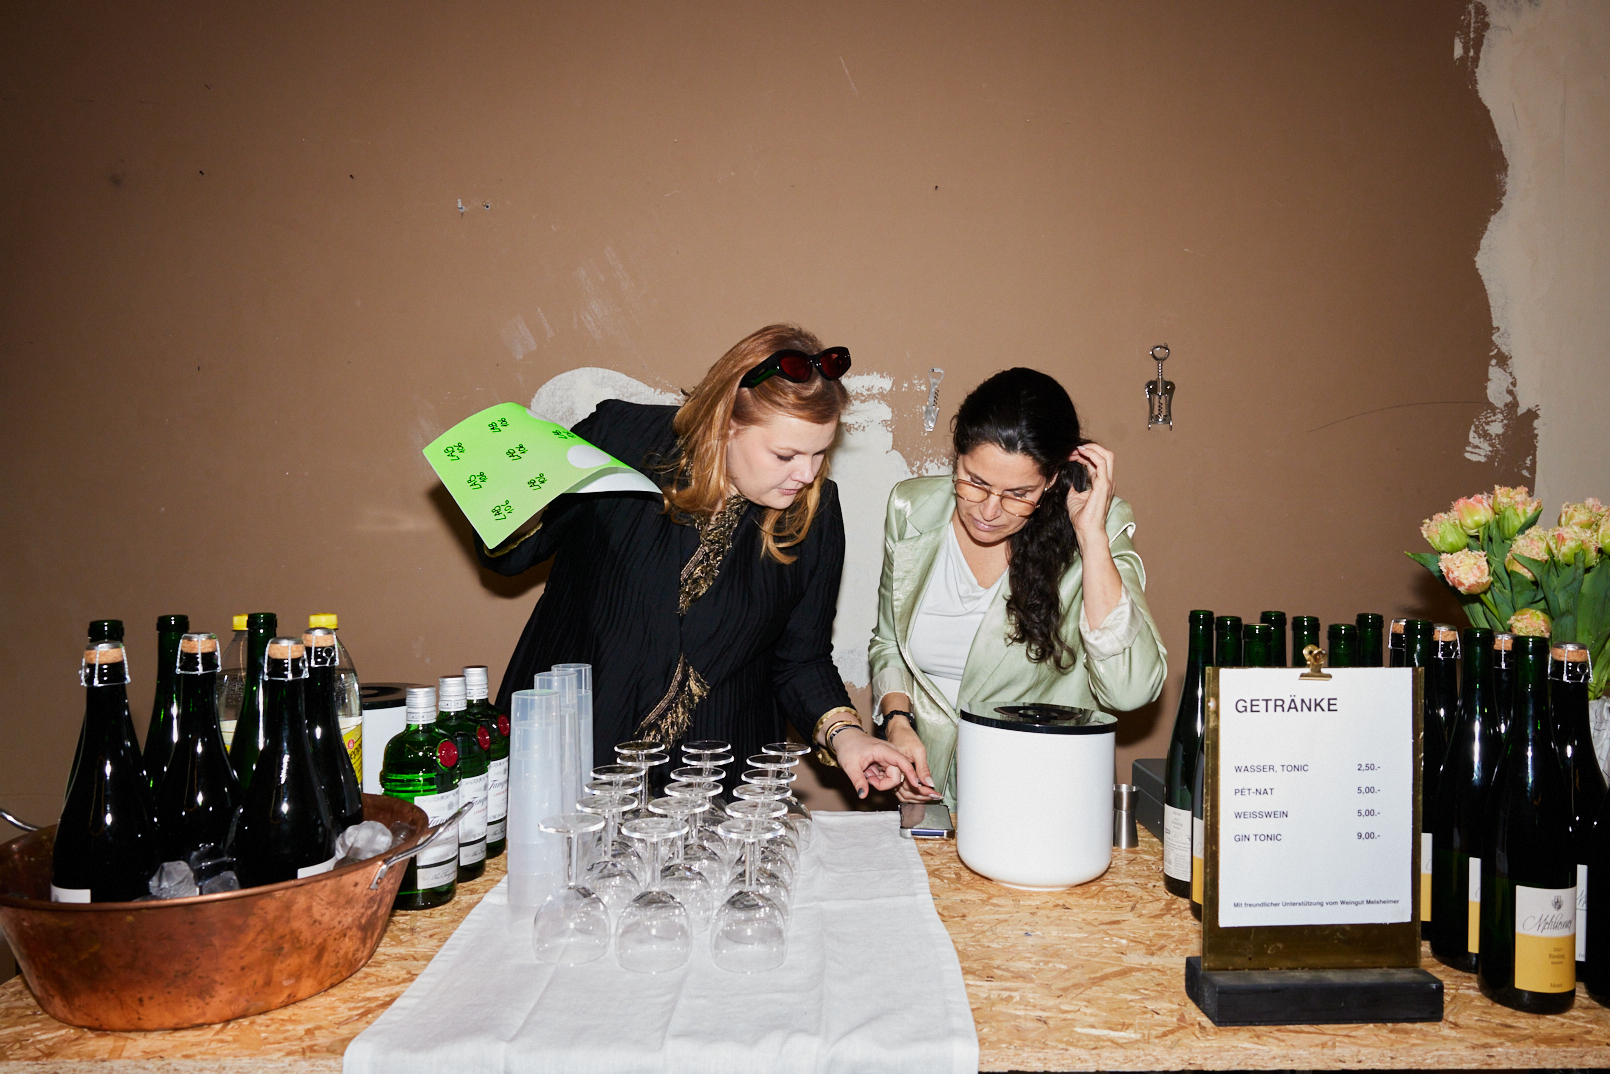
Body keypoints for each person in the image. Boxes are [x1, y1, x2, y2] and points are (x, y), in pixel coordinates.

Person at [477, 324, 917, 797]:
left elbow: (800, 658)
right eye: (785, 454)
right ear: (727, 423)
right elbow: (514, 554)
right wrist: (503, 478)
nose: (806, 474)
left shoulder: (817, 513)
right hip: (572, 759)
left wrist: (846, 736)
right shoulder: (621, 439)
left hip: (711, 785)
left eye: (819, 453)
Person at [868, 367, 1167, 805]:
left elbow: (1130, 690)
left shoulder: (1098, 527)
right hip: (926, 796)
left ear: (1051, 479)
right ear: (957, 456)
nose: (989, 510)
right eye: (975, 481)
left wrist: (1091, 535)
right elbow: (889, 643)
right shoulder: (911, 508)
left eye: (1018, 493)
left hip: (1044, 800)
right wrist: (897, 723)